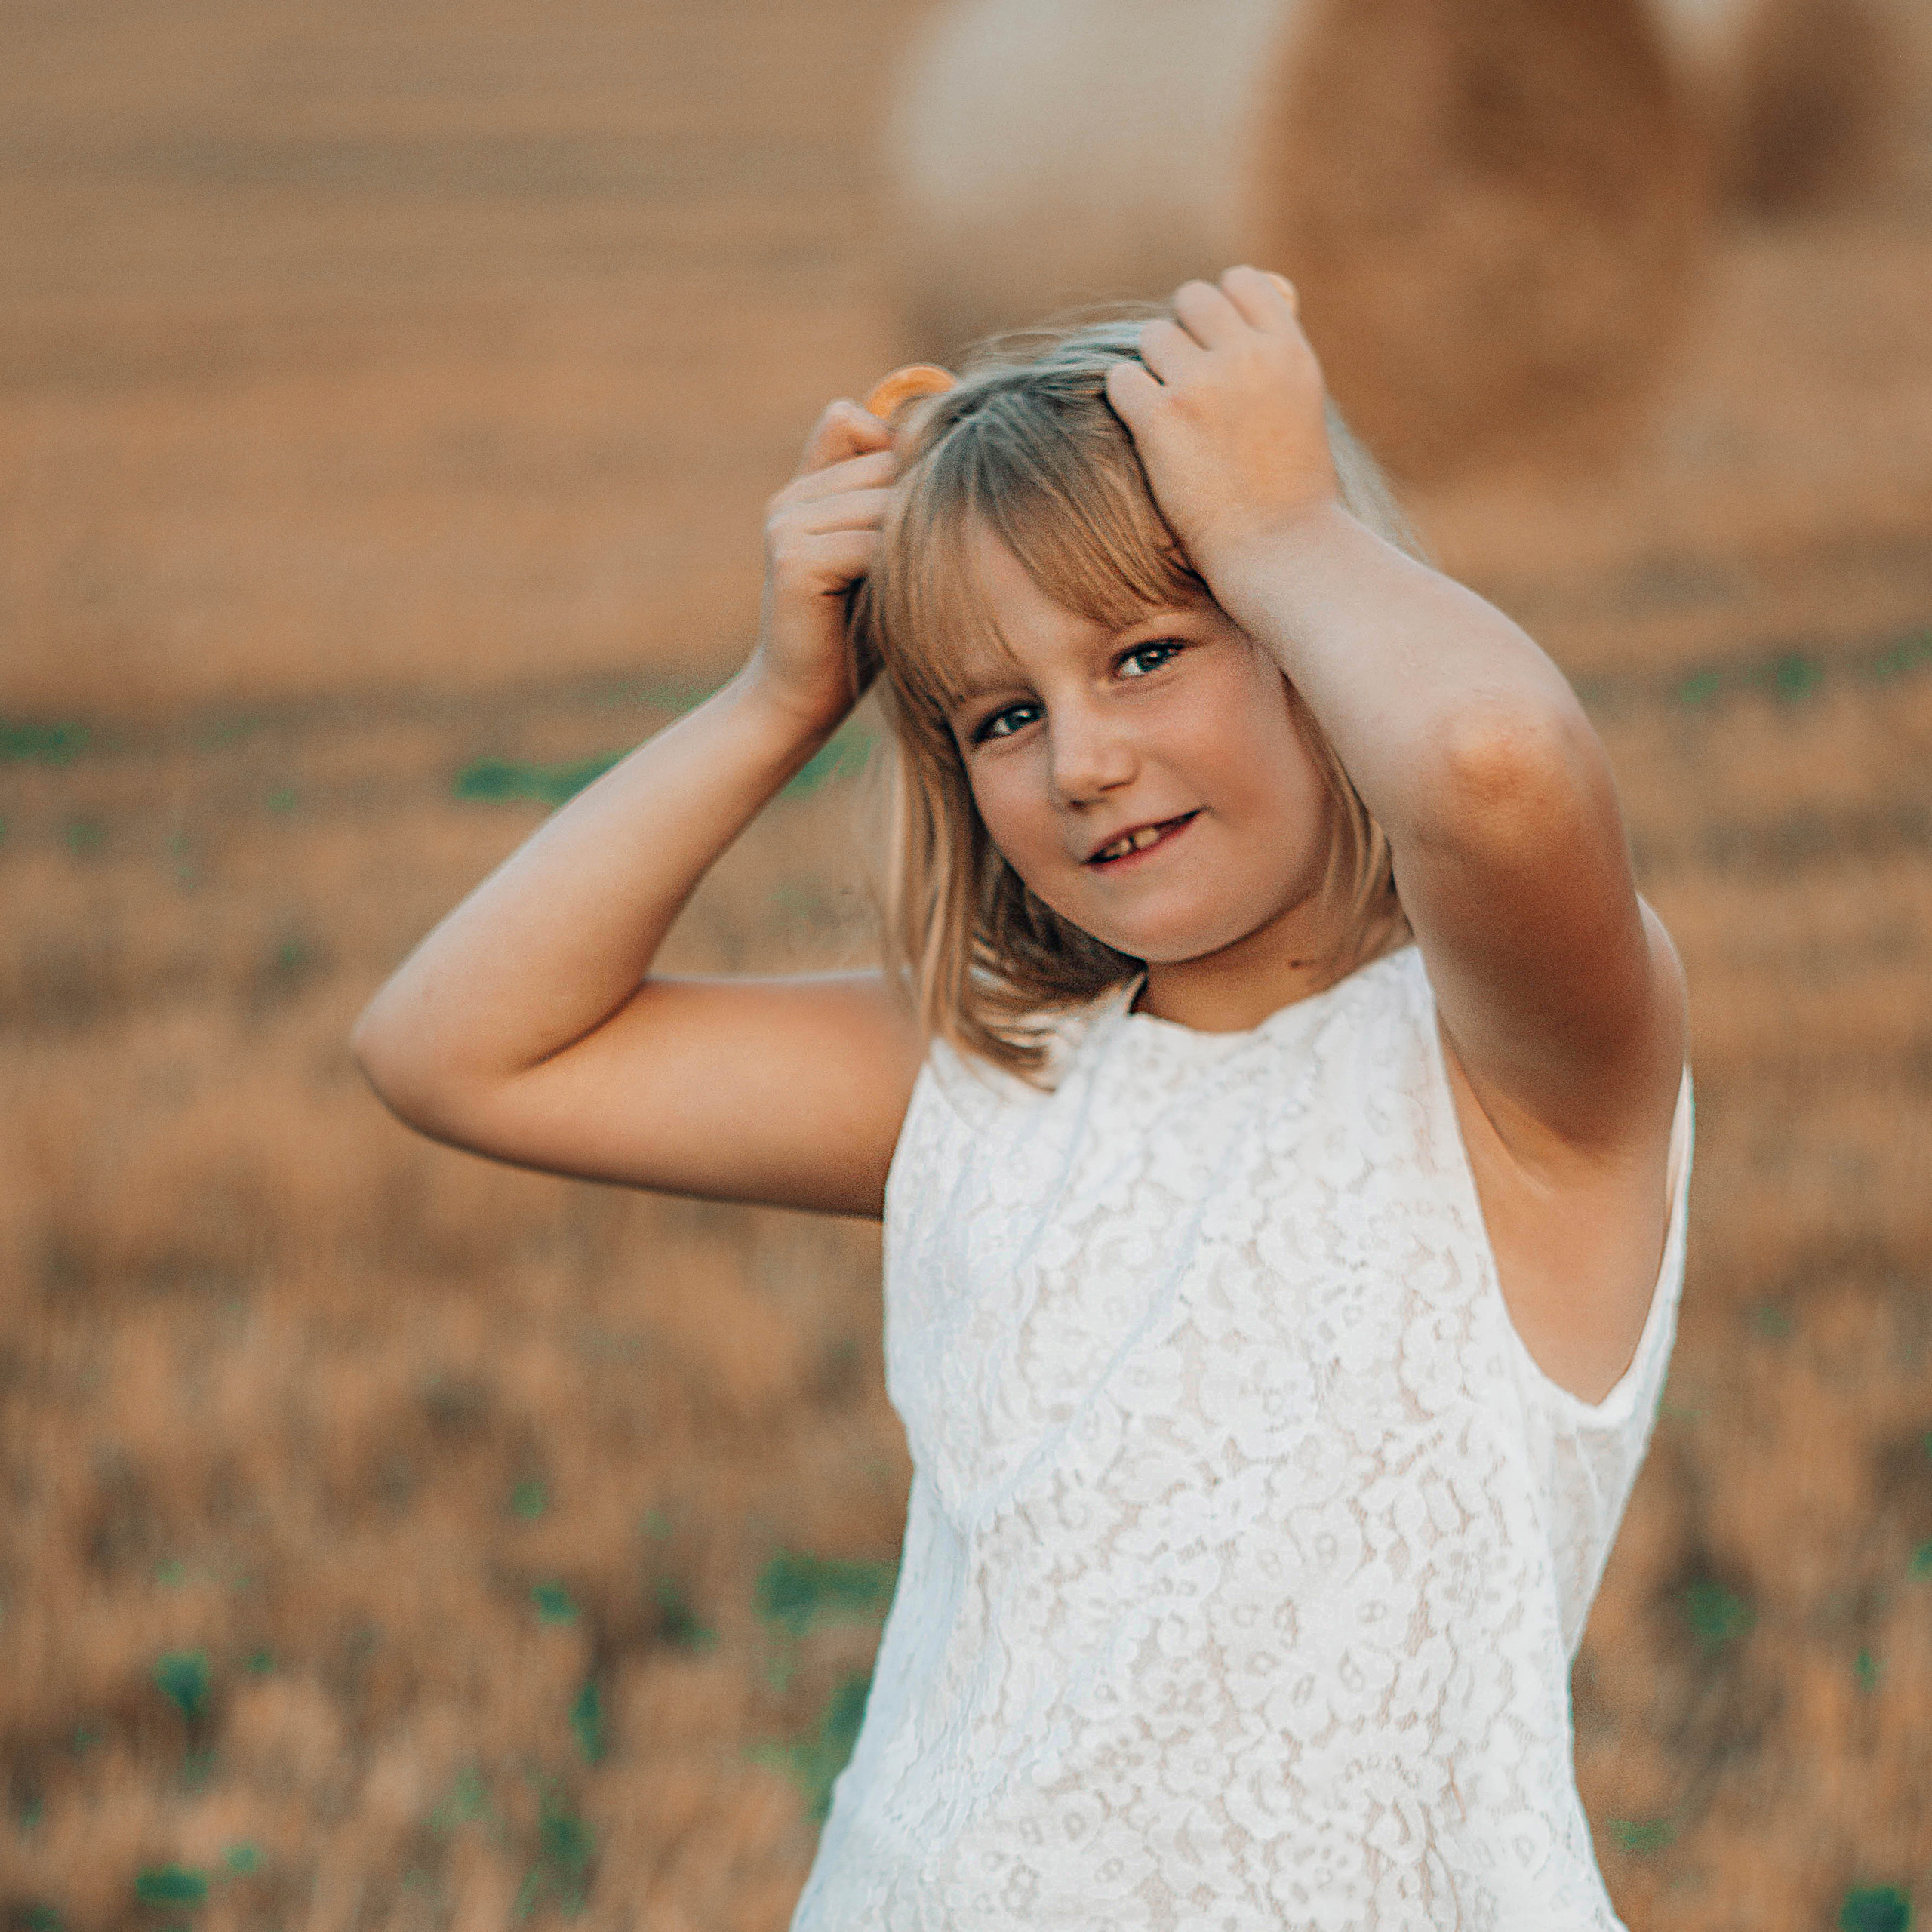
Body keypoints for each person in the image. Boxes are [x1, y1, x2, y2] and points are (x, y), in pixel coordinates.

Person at [352, 265, 1693, 1927]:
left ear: (1306, 638)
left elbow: (1494, 766)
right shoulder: (988, 1081)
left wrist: (1279, 531)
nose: (1078, 758)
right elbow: (453, 1046)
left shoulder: (1522, 1080)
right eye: (999, 711)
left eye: (1142, 652)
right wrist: (779, 700)